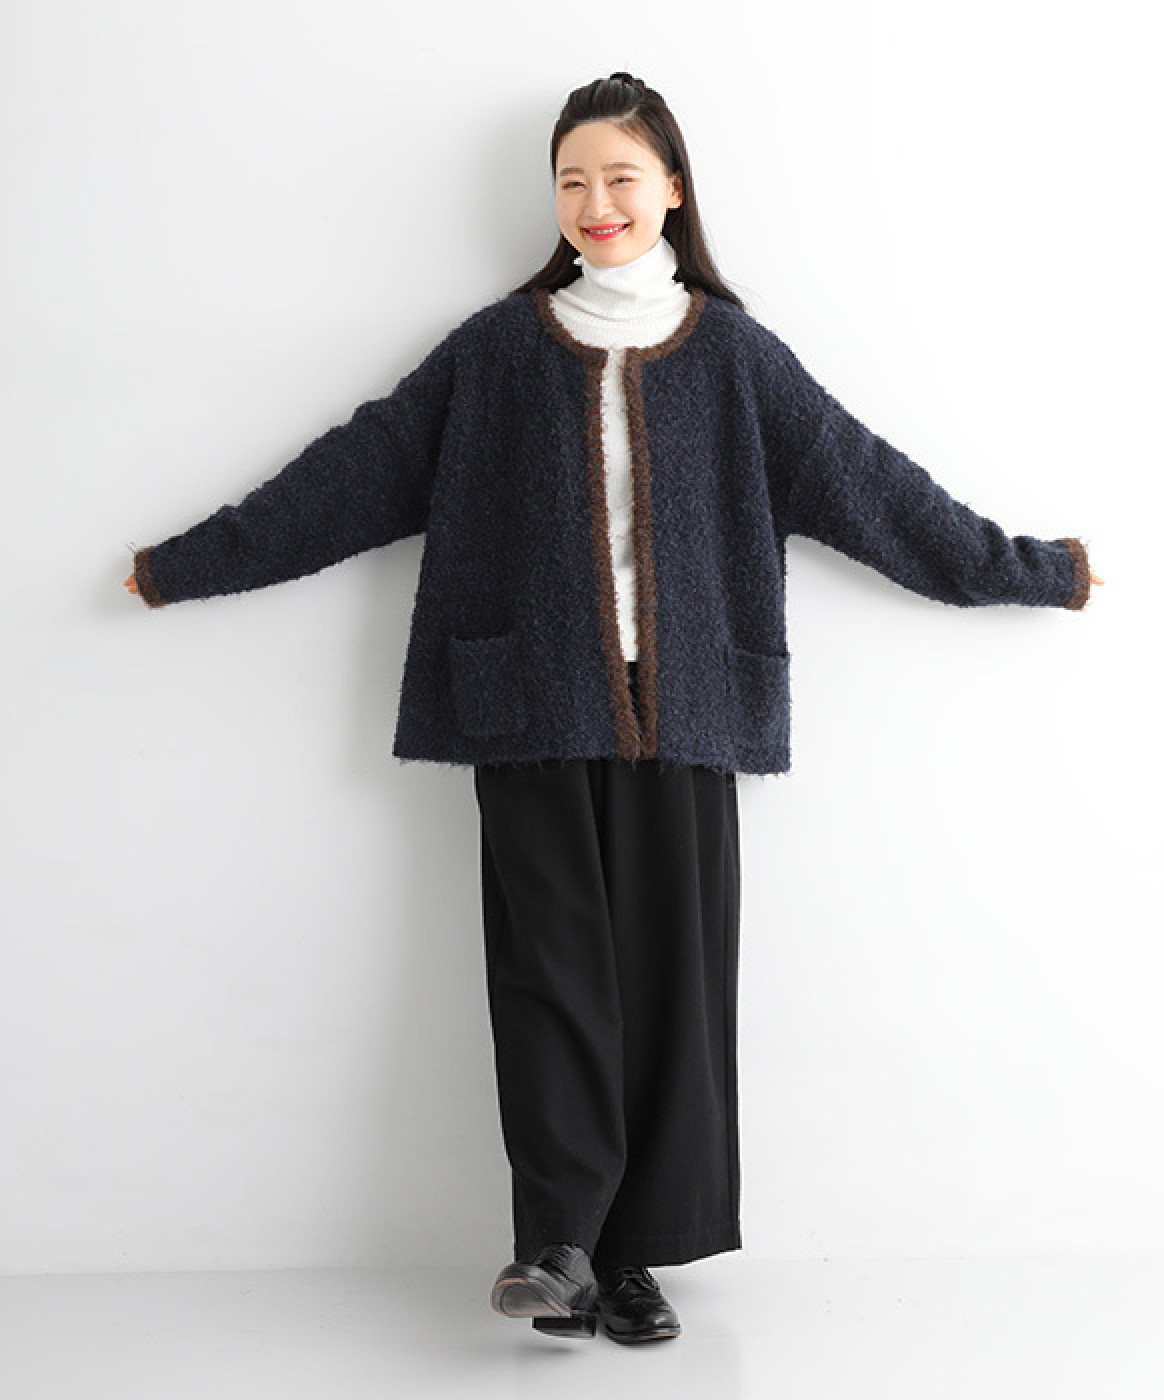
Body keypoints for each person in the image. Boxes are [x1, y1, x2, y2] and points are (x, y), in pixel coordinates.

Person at [125, 72, 1104, 1347]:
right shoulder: (493, 350)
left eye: (621, 177)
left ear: (673, 190)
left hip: (689, 710)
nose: (596, 201)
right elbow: (350, 475)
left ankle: (634, 1256)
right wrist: (187, 563)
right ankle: (560, 1245)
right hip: (531, 707)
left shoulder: (739, 358)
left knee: (671, 991)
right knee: (549, 977)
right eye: (573, 180)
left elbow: (875, 489)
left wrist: (1034, 568)